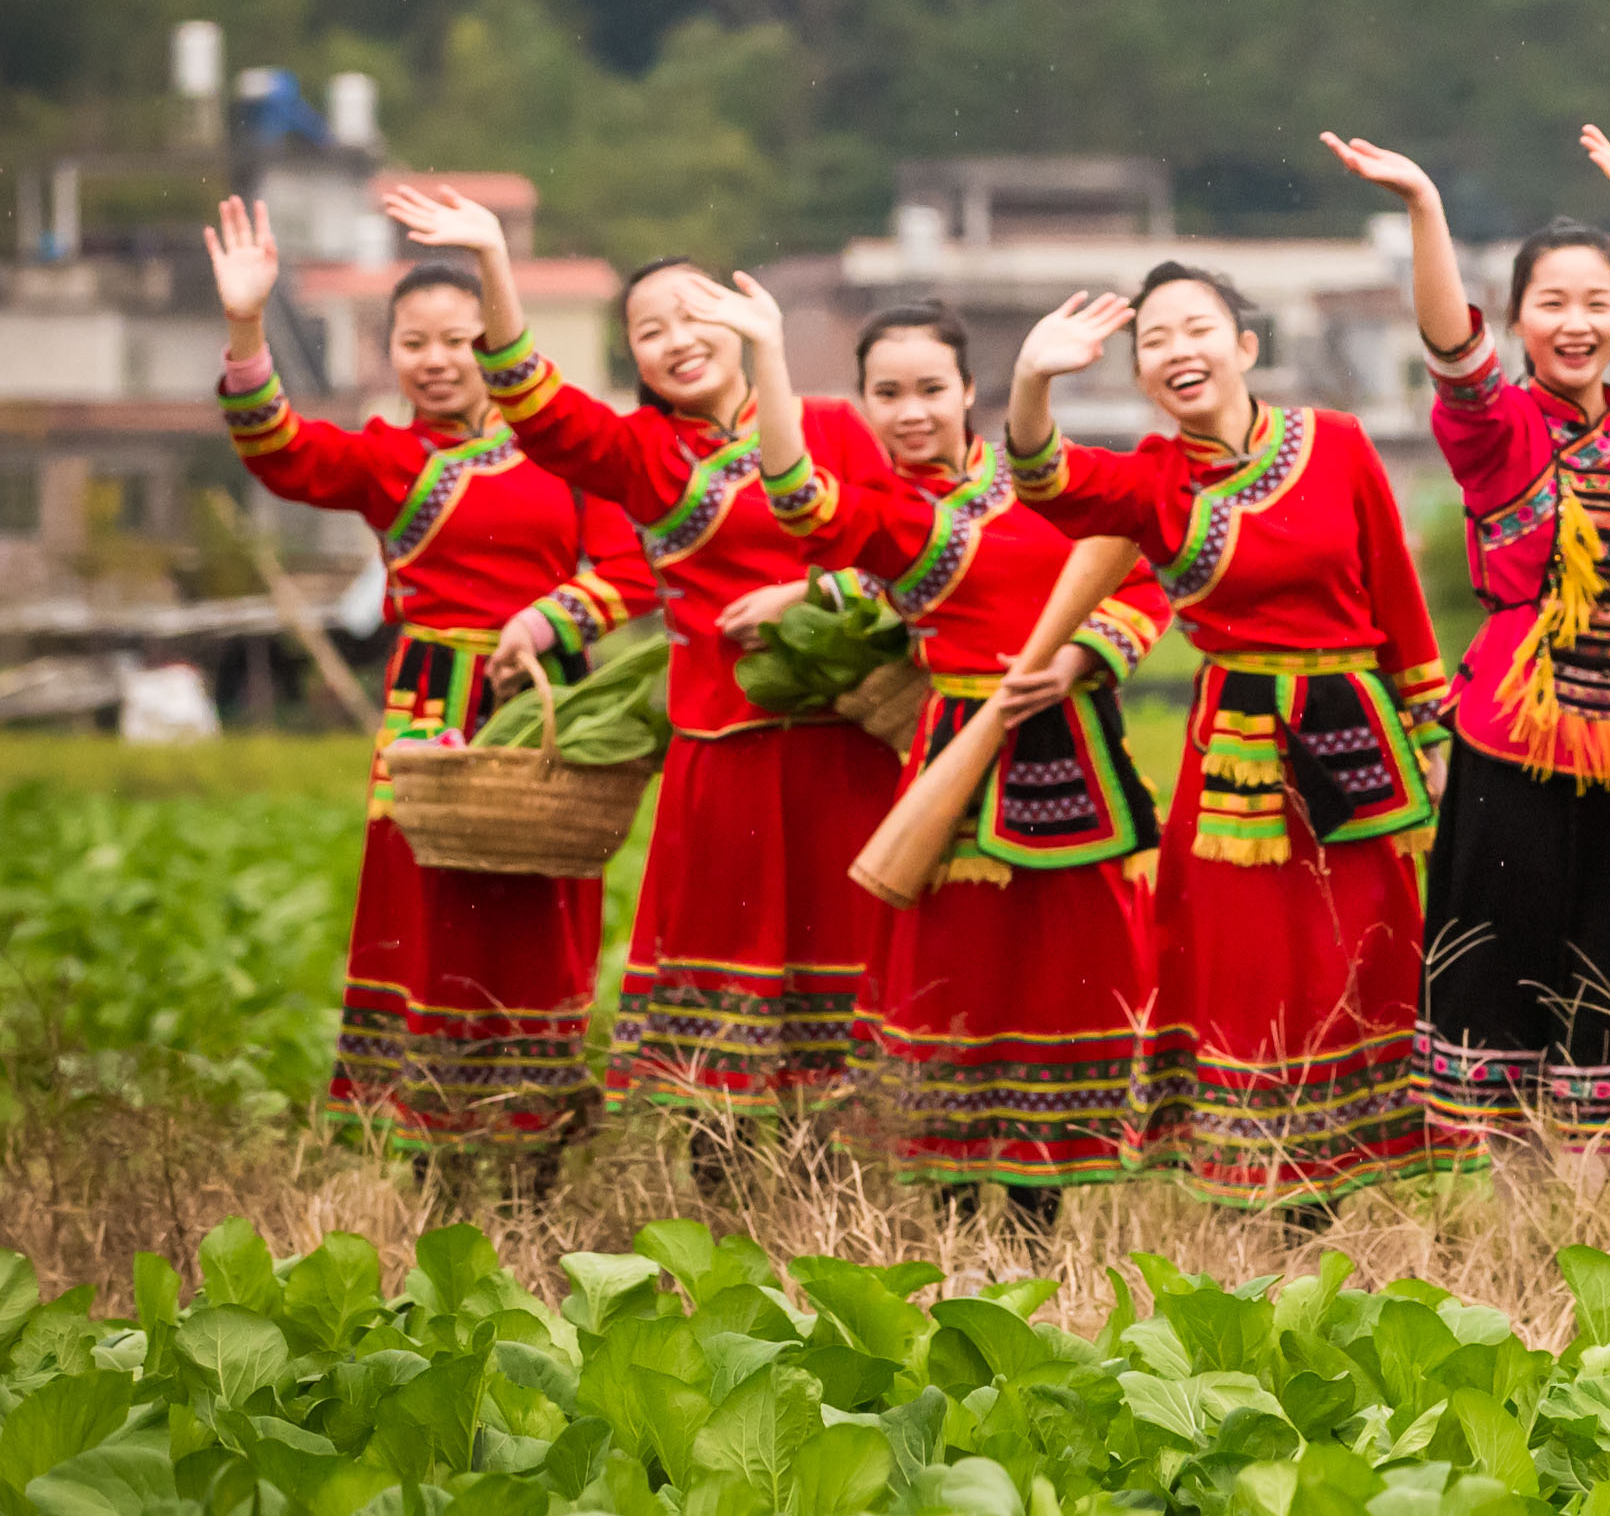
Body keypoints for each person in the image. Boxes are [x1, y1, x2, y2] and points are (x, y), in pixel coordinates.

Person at [375, 183, 903, 1141]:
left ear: (742, 322)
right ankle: (726, 1182)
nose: (676, 338)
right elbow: (535, 405)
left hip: (848, 747)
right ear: (637, 360)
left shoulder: (830, 425)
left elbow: (905, 554)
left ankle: (847, 1182)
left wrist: (815, 596)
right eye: (649, 330)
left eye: (693, 314)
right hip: (724, 753)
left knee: (850, 976)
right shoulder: (640, 455)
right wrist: (495, 261)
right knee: (725, 1003)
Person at [1002, 262, 1460, 1212]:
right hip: (1236, 763)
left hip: (1356, 740)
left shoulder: (1336, 443)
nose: (1178, 350)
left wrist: (1434, 729)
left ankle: (1346, 1188)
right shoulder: (1150, 484)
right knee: (1249, 967)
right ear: (1138, 378)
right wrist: (1034, 382)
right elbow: (1051, 483)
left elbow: (1399, 596)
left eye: (1195, 328)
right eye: (1154, 341)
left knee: (1359, 953)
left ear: (1245, 346)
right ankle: (1264, 1192)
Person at [203, 201, 648, 1172]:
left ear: (498, 341)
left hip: (547, 707)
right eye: (416, 343)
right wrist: (247, 323)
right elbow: (278, 450)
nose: (438, 359)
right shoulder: (384, 458)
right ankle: (429, 1149)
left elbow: (630, 572)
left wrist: (551, 616)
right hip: (428, 709)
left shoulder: (569, 449)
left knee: (542, 912)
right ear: (390, 352)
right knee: (425, 914)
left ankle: (535, 1143)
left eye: (459, 339)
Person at [1324, 125, 1610, 1167]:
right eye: (1552, 303)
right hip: (1516, 748)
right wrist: (1424, 206)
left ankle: (1591, 1216)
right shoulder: (1498, 431)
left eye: (1599, 301)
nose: (1577, 322)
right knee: (1506, 984)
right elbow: (1451, 352)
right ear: (1517, 322)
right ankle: (1517, 1224)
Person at [730, 300, 1171, 1213]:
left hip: (1075, 751)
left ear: (970, 390)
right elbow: (798, 500)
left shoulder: (1050, 486)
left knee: (1066, 975)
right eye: (885, 393)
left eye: (931, 387)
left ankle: (1044, 1202)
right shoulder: (893, 518)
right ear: (860, 404)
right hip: (957, 764)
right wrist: (767, 349)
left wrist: (1078, 659)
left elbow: (1144, 580)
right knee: (957, 982)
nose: (910, 410)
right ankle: (959, 1207)